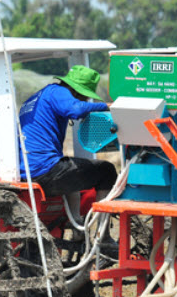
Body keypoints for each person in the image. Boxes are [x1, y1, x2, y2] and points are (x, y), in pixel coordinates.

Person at [18, 65, 118, 216]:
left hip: (27, 170)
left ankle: (77, 225)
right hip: (45, 170)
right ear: (76, 90)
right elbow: (76, 109)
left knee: (74, 169)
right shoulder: (58, 92)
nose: (86, 100)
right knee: (107, 170)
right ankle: (102, 235)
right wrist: (107, 106)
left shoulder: (37, 97)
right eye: (85, 96)